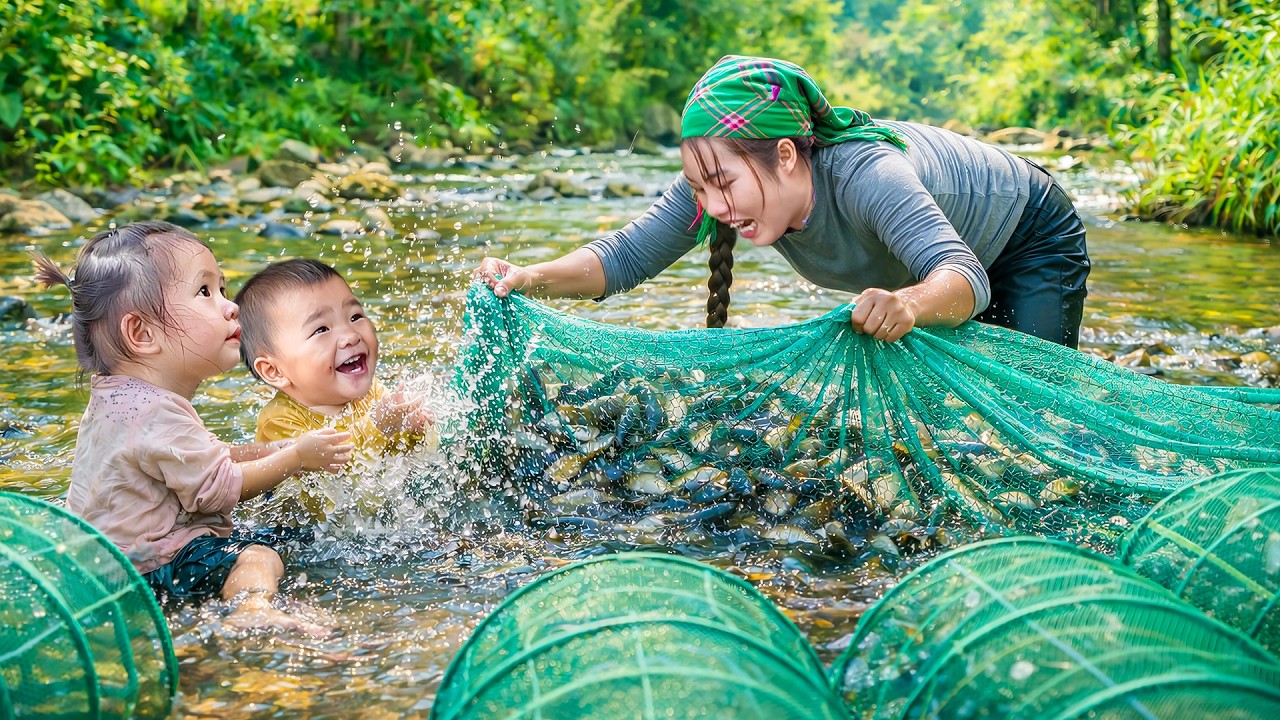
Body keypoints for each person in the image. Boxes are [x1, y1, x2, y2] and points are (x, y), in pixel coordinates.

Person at [476, 55, 1090, 348]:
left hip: (1027, 230)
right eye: (699, 186)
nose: (714, 205)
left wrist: (904, 303)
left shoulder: (868, 175)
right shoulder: (717, 182)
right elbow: (624, 258)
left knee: (1033, 392)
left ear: (788, 156)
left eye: (724, 183)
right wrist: (529, 278)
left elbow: (964, 278)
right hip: (942, 262)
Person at [33, 221, 354, 634]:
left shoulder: (120, 397)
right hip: (153, 572)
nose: (230, 305)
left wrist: (281, 447)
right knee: (259, 554)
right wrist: (295, 458)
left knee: (285, 534)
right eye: (205, 292)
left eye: (222, 288)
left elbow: (203, 457)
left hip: (104, 571)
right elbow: (221, 487)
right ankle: (253, 607)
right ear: (142, 333)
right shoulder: (157, 412)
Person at [233, 258, 437, 522]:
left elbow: (394, 463)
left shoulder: (371, 393)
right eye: (321, 329)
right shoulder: (279, 422)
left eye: (355, 317)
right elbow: (332, 490)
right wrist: (379, 426)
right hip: (301, 533)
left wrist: (413, 432)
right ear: (275, 371)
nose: (350, 335)